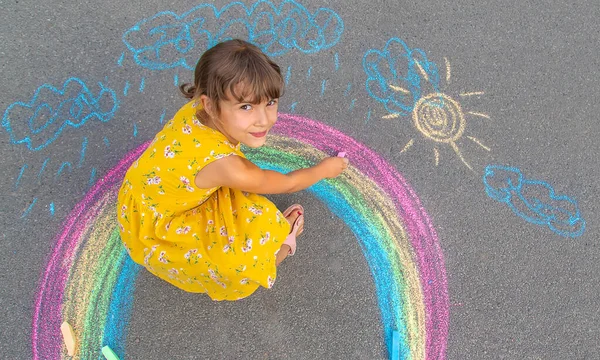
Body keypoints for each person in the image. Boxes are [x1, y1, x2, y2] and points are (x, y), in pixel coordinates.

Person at [116, 39, 348, 301]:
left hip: (140, 200)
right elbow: (287, 183)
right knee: (249, 242)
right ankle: (279, 251)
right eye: (246, 107)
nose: (265, 119)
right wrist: (325, 169)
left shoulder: (196, 111)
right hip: (163, 227)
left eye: (270, 102)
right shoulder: (230, 168)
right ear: (211, 105)